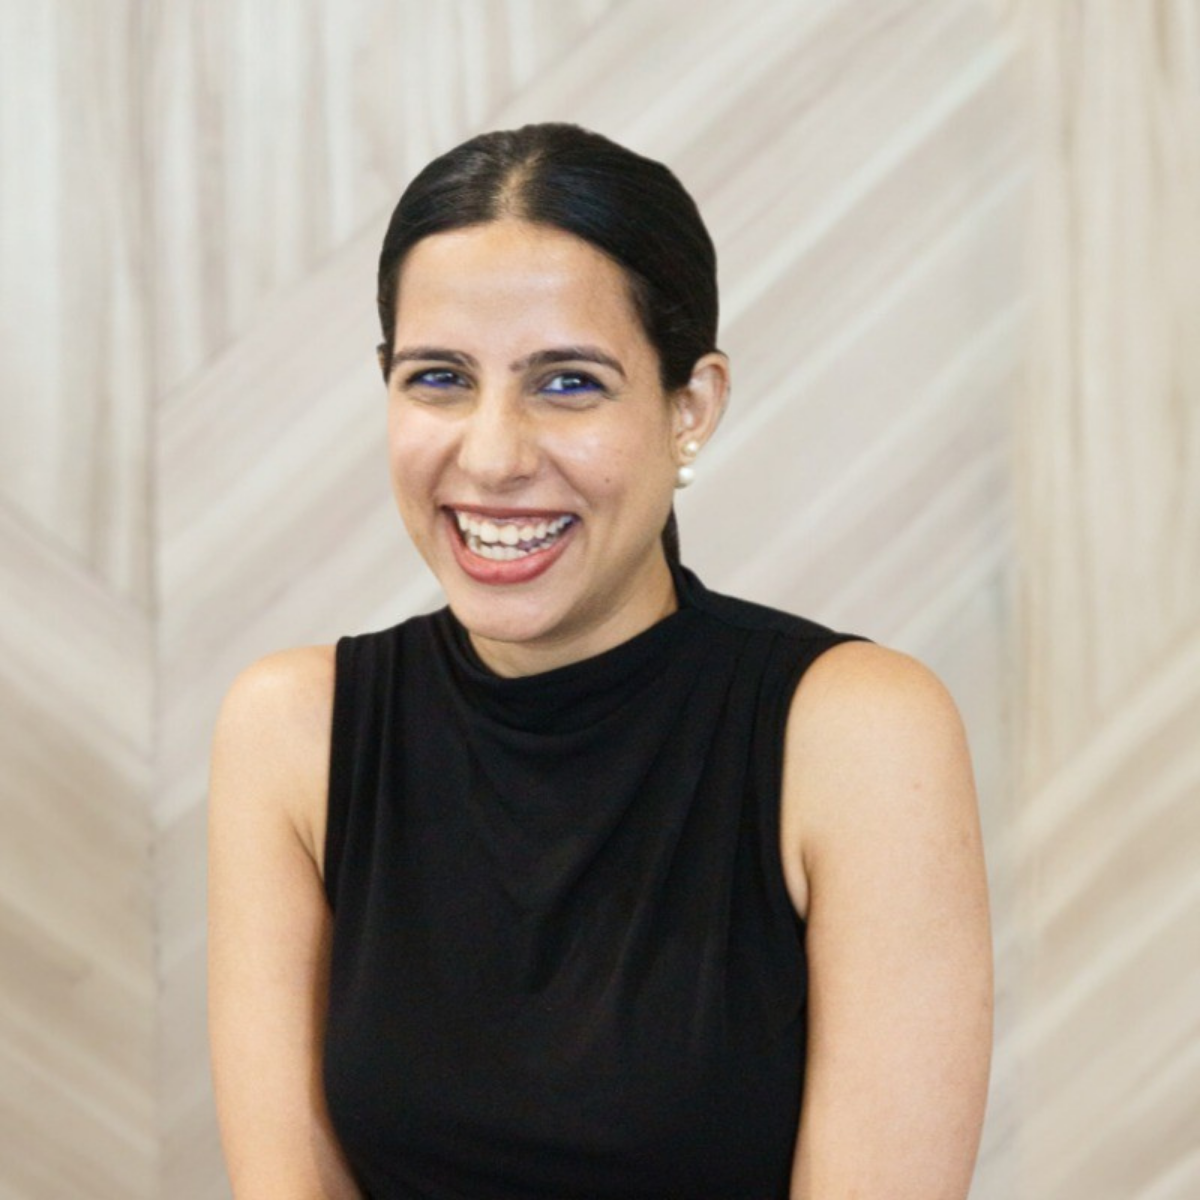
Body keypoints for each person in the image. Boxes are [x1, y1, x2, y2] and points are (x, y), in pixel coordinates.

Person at [207, 122, 993, 1199]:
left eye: (567, 383)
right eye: (439, 377)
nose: (491, 454)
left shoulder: (855, 732)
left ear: (690, 407)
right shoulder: (293, 731)